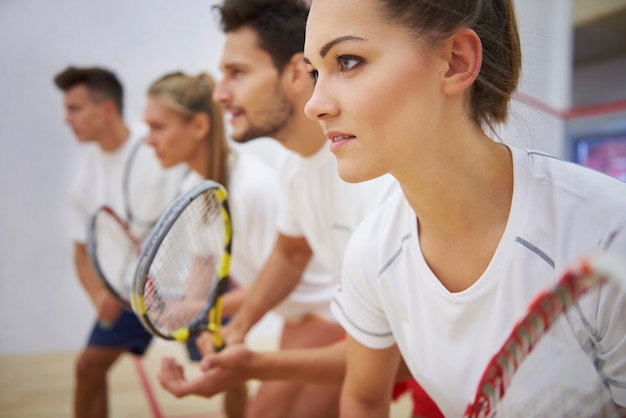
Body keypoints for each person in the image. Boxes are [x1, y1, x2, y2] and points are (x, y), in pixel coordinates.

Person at [301, 0, 626, 417]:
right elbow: (363, 399)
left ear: (456, 62)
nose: (314, 104)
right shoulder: (372, 250)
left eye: (347, 61)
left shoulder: (606, 231)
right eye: (314, 71)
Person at [158, 0, 441, 417]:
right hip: (363, 332)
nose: (219, 94)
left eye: (237, 73)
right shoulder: (293, 167)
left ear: (293, 73)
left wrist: (254, 363)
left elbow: (401, 351)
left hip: (416, 356)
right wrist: (240, 327)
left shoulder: (383, 176)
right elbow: (291, 253)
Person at [144, 70, 341, 418]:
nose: (148, 140)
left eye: (158, 127)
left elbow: (279, 279)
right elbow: (204, 272)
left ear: (200, 128)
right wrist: (195, 310)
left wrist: (206, 312)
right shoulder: (196, 187)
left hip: (328, 313)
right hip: (296, 318)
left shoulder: (252, 188)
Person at [54, 66, 184, 418]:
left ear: (106, 109)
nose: (67, 119)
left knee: (225, 370)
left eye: (75, 108)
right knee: (88, 368)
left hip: (189, 288)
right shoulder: (85, 178)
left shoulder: (159, 147)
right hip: (131, 294)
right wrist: (98, 295)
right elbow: (81, 252)